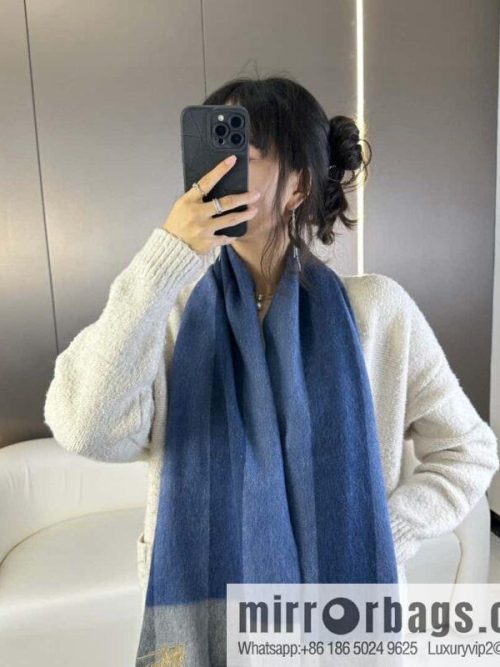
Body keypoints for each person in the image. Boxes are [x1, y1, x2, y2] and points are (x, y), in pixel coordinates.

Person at [44, 76, 499, 666]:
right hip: (211, 620)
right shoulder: (170, 314)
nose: (216, 174)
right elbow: (84, 426)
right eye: (211, 151)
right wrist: (166, 258)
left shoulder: (376, 312)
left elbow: (469, 451)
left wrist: (379, 528)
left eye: (243, 153)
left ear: (298, 186)